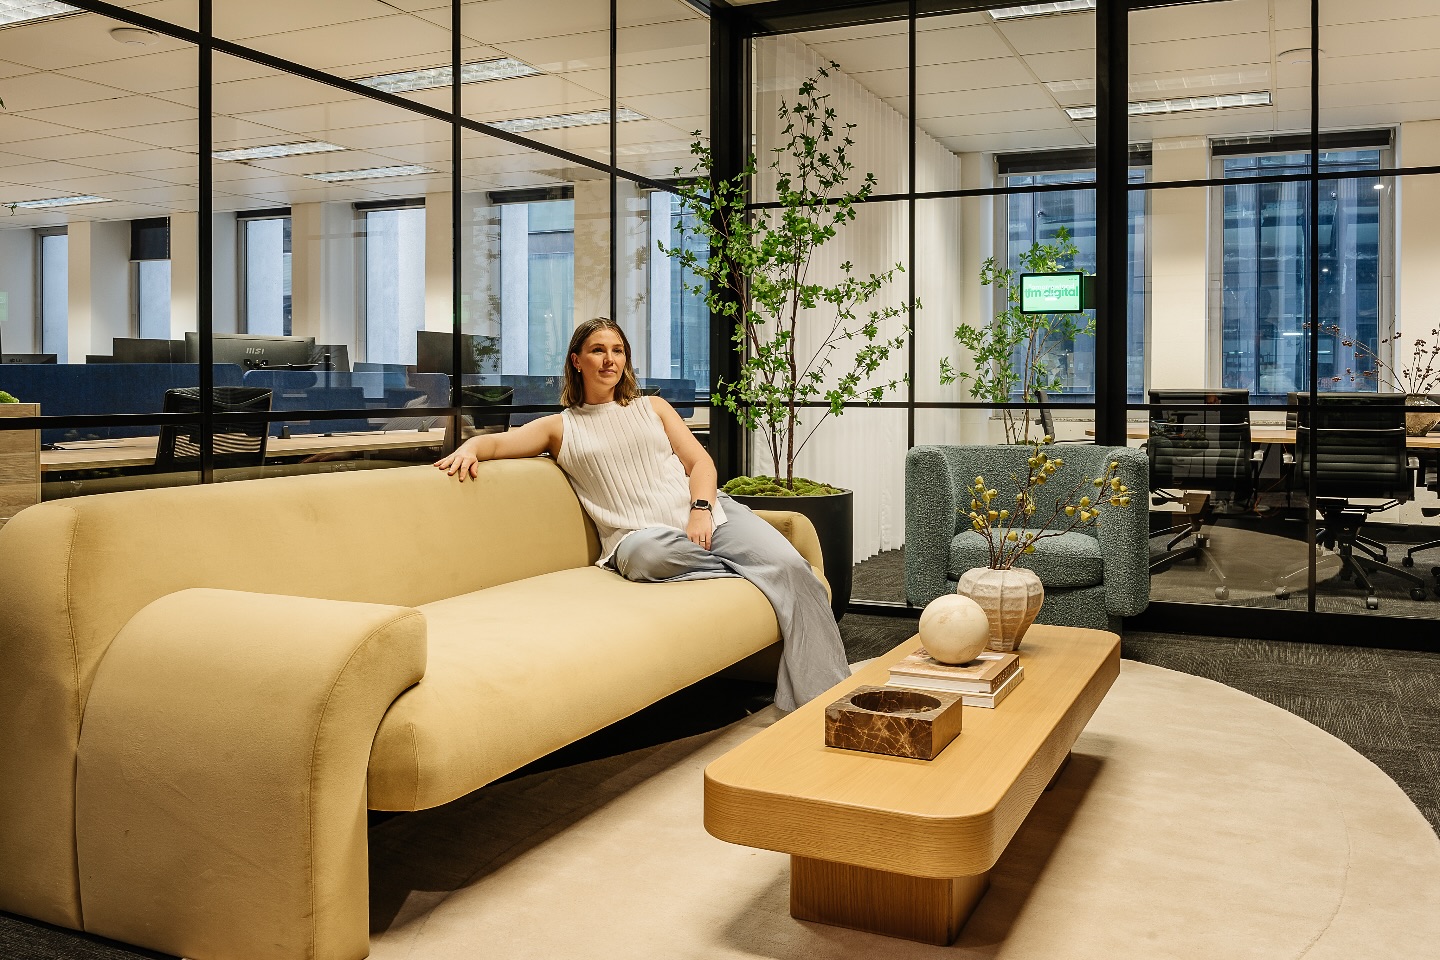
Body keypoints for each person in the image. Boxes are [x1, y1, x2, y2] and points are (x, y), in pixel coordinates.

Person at [435, 317, 851, 711]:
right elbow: (496, 445)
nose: (609, 359)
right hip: (640, 537)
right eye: (598, 350)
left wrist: (701, 510)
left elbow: (701, 465)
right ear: (577, 361)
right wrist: (469, 448)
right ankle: (751, 568)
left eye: (618, 350)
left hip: (707, 518)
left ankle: (825, 700)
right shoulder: (559, 427)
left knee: (793, 567)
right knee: (645, 555)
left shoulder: (653, 407)